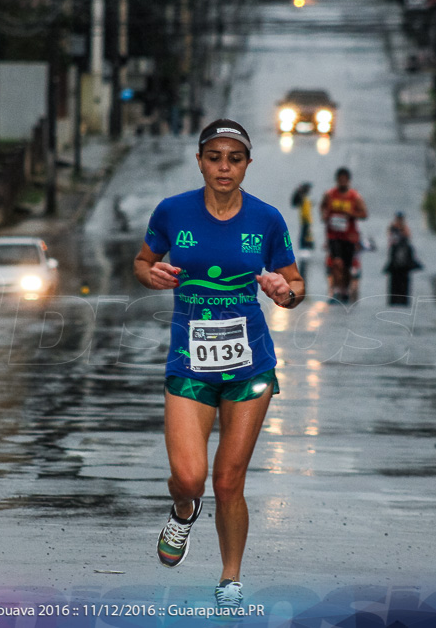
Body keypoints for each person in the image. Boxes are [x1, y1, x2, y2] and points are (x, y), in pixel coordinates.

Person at [133, 119, 305, 609]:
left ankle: (230, 580)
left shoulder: (267, 219)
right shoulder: (172, 212)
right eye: (215, 157)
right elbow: (143, 262)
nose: (224, 167)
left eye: (234, 158)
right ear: (200, 161)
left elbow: (295, 283)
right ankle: (184, 509)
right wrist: (153, 276)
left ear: (248, 164)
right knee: (190, 477)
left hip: (250, 366)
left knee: (230, 480)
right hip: (189, 363)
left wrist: (284, 293)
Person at [320, 167, 368, 303]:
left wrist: (351, 214)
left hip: (349, 237)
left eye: (344, 180)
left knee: (347, 266)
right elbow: (323, 206)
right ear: (337, 180)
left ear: (348, 181)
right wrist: (325, 215)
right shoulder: (330, 194)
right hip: (334, 236)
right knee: (336, 262)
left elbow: (364, 214)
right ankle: (336, 289)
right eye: (340, 179)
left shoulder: (354, 197)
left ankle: (344, 289)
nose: (342, 182)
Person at [383, 212, 422, 306]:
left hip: (404, 253)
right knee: (394, 278)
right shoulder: (392, 227)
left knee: (404, 278)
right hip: (395, 252)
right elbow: (390, 237)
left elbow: (408, 236)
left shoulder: (405, 227)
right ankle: (394, 299)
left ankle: (403, 299)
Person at [290, 182, 315, 251]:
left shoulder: (306, 198)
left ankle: (308, 246)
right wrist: (298, 192)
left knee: (307, 234)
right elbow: (294, 203)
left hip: (308, 219)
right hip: (305, 219)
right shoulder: (302, 197)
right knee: (305, 234)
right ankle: (305, 247)